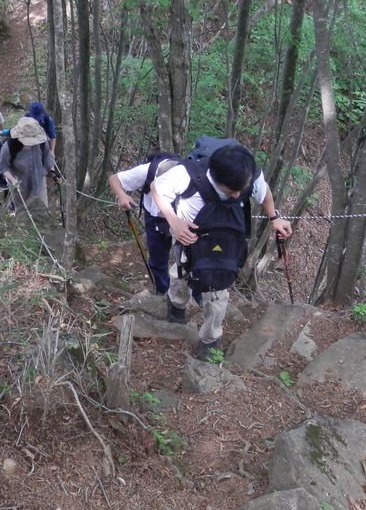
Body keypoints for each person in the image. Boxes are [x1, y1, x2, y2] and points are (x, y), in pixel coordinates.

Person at [151, 144, 293, 361]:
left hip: (227, 239)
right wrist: (174, 222)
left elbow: (264, 195)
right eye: (230, 191)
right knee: (180, 274)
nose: (237, 195)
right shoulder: (186, 175)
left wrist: (275, 218)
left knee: (218, 291)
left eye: (240, 190)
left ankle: (209, 340)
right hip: (187, 235)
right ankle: (176, 306)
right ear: (214, 176)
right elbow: (156, 189)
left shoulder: (248, 177)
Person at [108, 157, 180, 295]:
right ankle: (162, 291)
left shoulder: (187, 176)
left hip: (180, 217)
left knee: (185, 258)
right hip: (154, 218)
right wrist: (122, 195)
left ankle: (190, 296)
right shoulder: (147, 170)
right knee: (157, 259)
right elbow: (114, 179)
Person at [0, 116, 55, 209]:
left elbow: (47, 160)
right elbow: (3, 167)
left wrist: (53, 173)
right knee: (22, 212)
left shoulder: (42, 143)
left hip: (39, 182)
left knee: (42, 211)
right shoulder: (9, 147)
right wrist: (13, 180)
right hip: (19, 186)